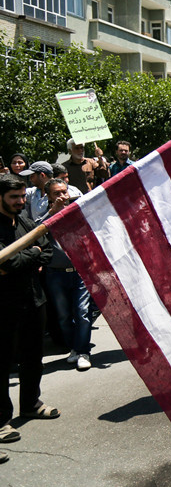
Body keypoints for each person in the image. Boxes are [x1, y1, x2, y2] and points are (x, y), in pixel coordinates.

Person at [0, 174, 59, 454]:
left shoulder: (25, 222)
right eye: (14, 197)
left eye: (23, 196)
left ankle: (31, 404)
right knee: (2, 364)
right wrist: (31, 255)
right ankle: (1, 420)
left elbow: (46, 250)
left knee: (33, 357)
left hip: (34, 300)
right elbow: (6, 264)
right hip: (4, 306)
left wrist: (29, 255)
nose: (20, 201)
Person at [38, 179, 93, 371]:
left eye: (64, 192)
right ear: (48, 196)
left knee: (82, 312)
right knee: (63, 316)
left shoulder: (77, 211)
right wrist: (52, 213)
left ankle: (84, 351)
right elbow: (34, 232)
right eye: (57, 193)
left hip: (80, 272)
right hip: (56, 274)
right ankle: (74, 348)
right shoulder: (45, 216)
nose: (62, 196)